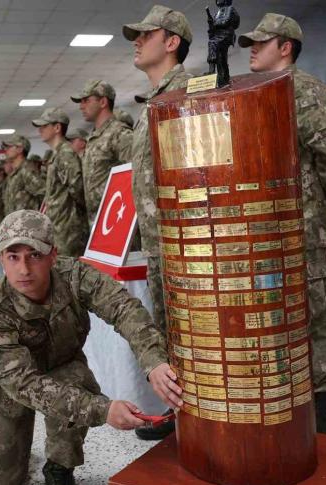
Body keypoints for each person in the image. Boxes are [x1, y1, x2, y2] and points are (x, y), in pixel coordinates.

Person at [0, 210, 180, 485]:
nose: (23, 269)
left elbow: (124, 309)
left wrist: (154, 361)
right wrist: (103, 410)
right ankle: (19, 449)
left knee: (76, 382)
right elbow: (24, 384)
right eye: (13, 257)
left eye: (35, 255)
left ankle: (59, 468)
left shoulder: (75, 276)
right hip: (10, 386)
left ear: (53, 255)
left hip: (65, 368)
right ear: (2, 259)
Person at [239, 13, 326, 434]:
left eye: (261, 42)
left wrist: (309, 197)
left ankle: (321, 411)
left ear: (286, 47)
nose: (252, 48)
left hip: (301, 226)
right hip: (261, 229)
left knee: (312, 313)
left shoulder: (304, 90)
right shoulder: (251, 92)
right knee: (272, 316)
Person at [123, 4, 192, 441]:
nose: (137, 41)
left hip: (182, 241)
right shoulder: (154, 100)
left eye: (146, 35)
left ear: (171, 42)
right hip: (158, 241)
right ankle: (181, 412)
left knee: (191, 332)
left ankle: (198, 416)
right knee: (171, 332)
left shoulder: (187, 93)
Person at [71, 79, 133, 225]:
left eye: (86, 100)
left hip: (117, 219)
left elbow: (135, 177)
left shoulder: (120, 134)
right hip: (97, 220)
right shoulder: (93, 138)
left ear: (103, 102)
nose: (81, 106)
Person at [33, 107, 88, 257]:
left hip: (68, 230)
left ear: (57, 127)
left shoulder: (65, 154)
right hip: (59, 227)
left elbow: (78, 190)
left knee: (68, 268)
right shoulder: (57, 154)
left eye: (44, 126)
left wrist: (75, 220)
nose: (40, 130)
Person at [1, 135, 44, 215]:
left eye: (9, 147)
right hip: (14, 221)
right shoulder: (14, 173)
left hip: (27, 221)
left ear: (20, 149)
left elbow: (44, 195)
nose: (5, 150)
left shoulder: (27, 170)